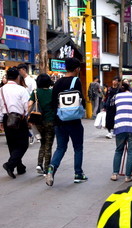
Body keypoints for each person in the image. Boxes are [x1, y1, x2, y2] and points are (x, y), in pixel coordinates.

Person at [46, 57, 87, 186]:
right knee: (78, 148)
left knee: (61, 147)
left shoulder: (57, 82)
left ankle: (51, 168)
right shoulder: (76, 81)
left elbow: (53, 103)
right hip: (73, 120)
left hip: (59, 120)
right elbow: (80, 99)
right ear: (76, 69)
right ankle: (78, 174)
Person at [0, 67, 30, 179]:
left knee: (12, 143)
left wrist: (0, 120)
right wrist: (27, 116)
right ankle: (10, 165)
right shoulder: (21, 90)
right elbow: (27, 105)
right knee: (24, 143)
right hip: (19, 118)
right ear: (17, 77)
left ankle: (19, 167)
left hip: (6, 118)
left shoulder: (0, 90)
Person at [110, 82, 132, 183]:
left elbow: (112, 109)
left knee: (118, 150)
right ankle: (127, 177)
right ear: (130, 88)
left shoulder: (116, 97)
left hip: (120, 126)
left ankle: (115, 174)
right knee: (131, 152)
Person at [28, 73, 56, 174]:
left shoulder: (35, 92)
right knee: (48, 145)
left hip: (38, 121)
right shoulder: (52, 92)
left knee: (43, 143)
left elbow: (30, 105)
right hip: (50, 121)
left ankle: (39, 164)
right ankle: (46, 168)